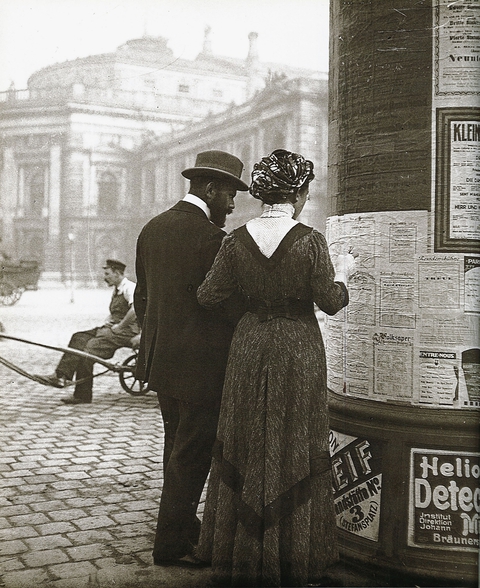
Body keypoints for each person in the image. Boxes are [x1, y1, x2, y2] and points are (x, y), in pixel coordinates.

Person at [195, 149, 355, 587]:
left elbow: (208, 296)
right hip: (298, 346)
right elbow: (331, 302)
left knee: (246, 437)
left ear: (264, 194)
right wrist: (345, 275)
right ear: (299, 194)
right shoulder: (309, 240)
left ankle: (239, 552)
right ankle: (295, 555)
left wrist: (253, 305)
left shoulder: (234, 239)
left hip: (249, 344)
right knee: (296, 438)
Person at [133, 150, 249, 568]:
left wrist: (155, 345)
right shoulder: (212, 239)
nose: (233, 205)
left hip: (163, 365)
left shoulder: (153, 227)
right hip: (202, 369)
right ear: (210, 188)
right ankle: (171, 545)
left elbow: (141, 296)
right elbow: (226, 304)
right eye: (230, 195)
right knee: (191, 456)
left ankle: (180, 526)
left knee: (175, 450)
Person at [37, 259, 140, 405]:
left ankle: (82, 395)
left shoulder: (129, 287)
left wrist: (121, 326)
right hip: (112, 329)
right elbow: (117, 312)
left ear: (117, 273)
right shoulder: (117, 289)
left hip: (127, 332)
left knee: (87, 352)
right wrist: (109, 320)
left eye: (107, 274)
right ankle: (60, 376)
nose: (105, 277)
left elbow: (135, 309)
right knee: (78, 337)